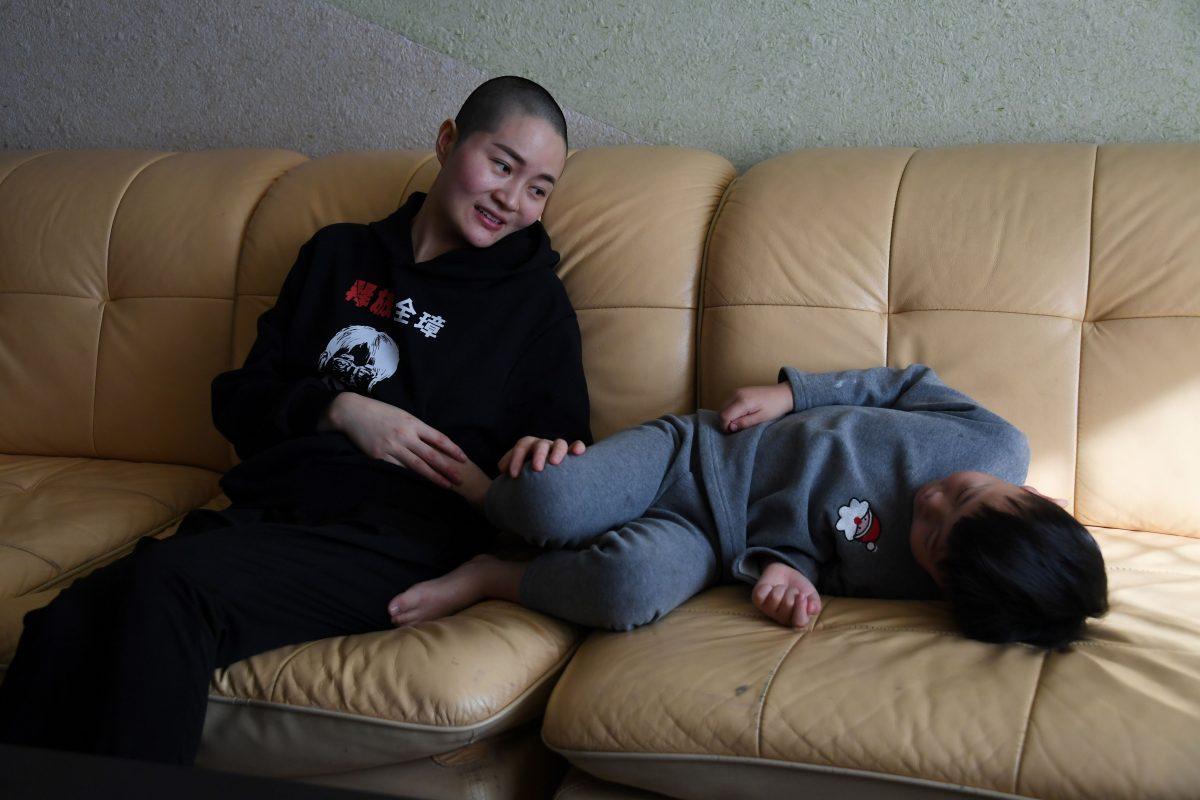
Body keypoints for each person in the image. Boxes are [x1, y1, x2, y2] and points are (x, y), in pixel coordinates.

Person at [0, 76, 591, 764]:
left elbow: (565, 459)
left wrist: (514, 478)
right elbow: (241, 399)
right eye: (502, 164)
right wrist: (341, 409)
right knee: (63, 626)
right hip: (269, 512)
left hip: (396, 538)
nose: (513, 200)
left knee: (171, 591)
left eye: (539, 188)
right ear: (448, 140)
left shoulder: (535, 306)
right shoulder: (337, 255)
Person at [390, 365, 1109, 650]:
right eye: (963, 493)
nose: (930, 500)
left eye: (930, 532)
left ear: (942, 580)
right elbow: (898, 385)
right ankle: (497, 504)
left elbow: (821, 553)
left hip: (709, 543)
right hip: (695, 452)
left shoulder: (914, 579)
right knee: (545, 499)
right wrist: (794, 394)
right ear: (1028, 491)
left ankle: (495, 576)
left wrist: (783, 573)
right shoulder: (996, 440)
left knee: (625, 590)